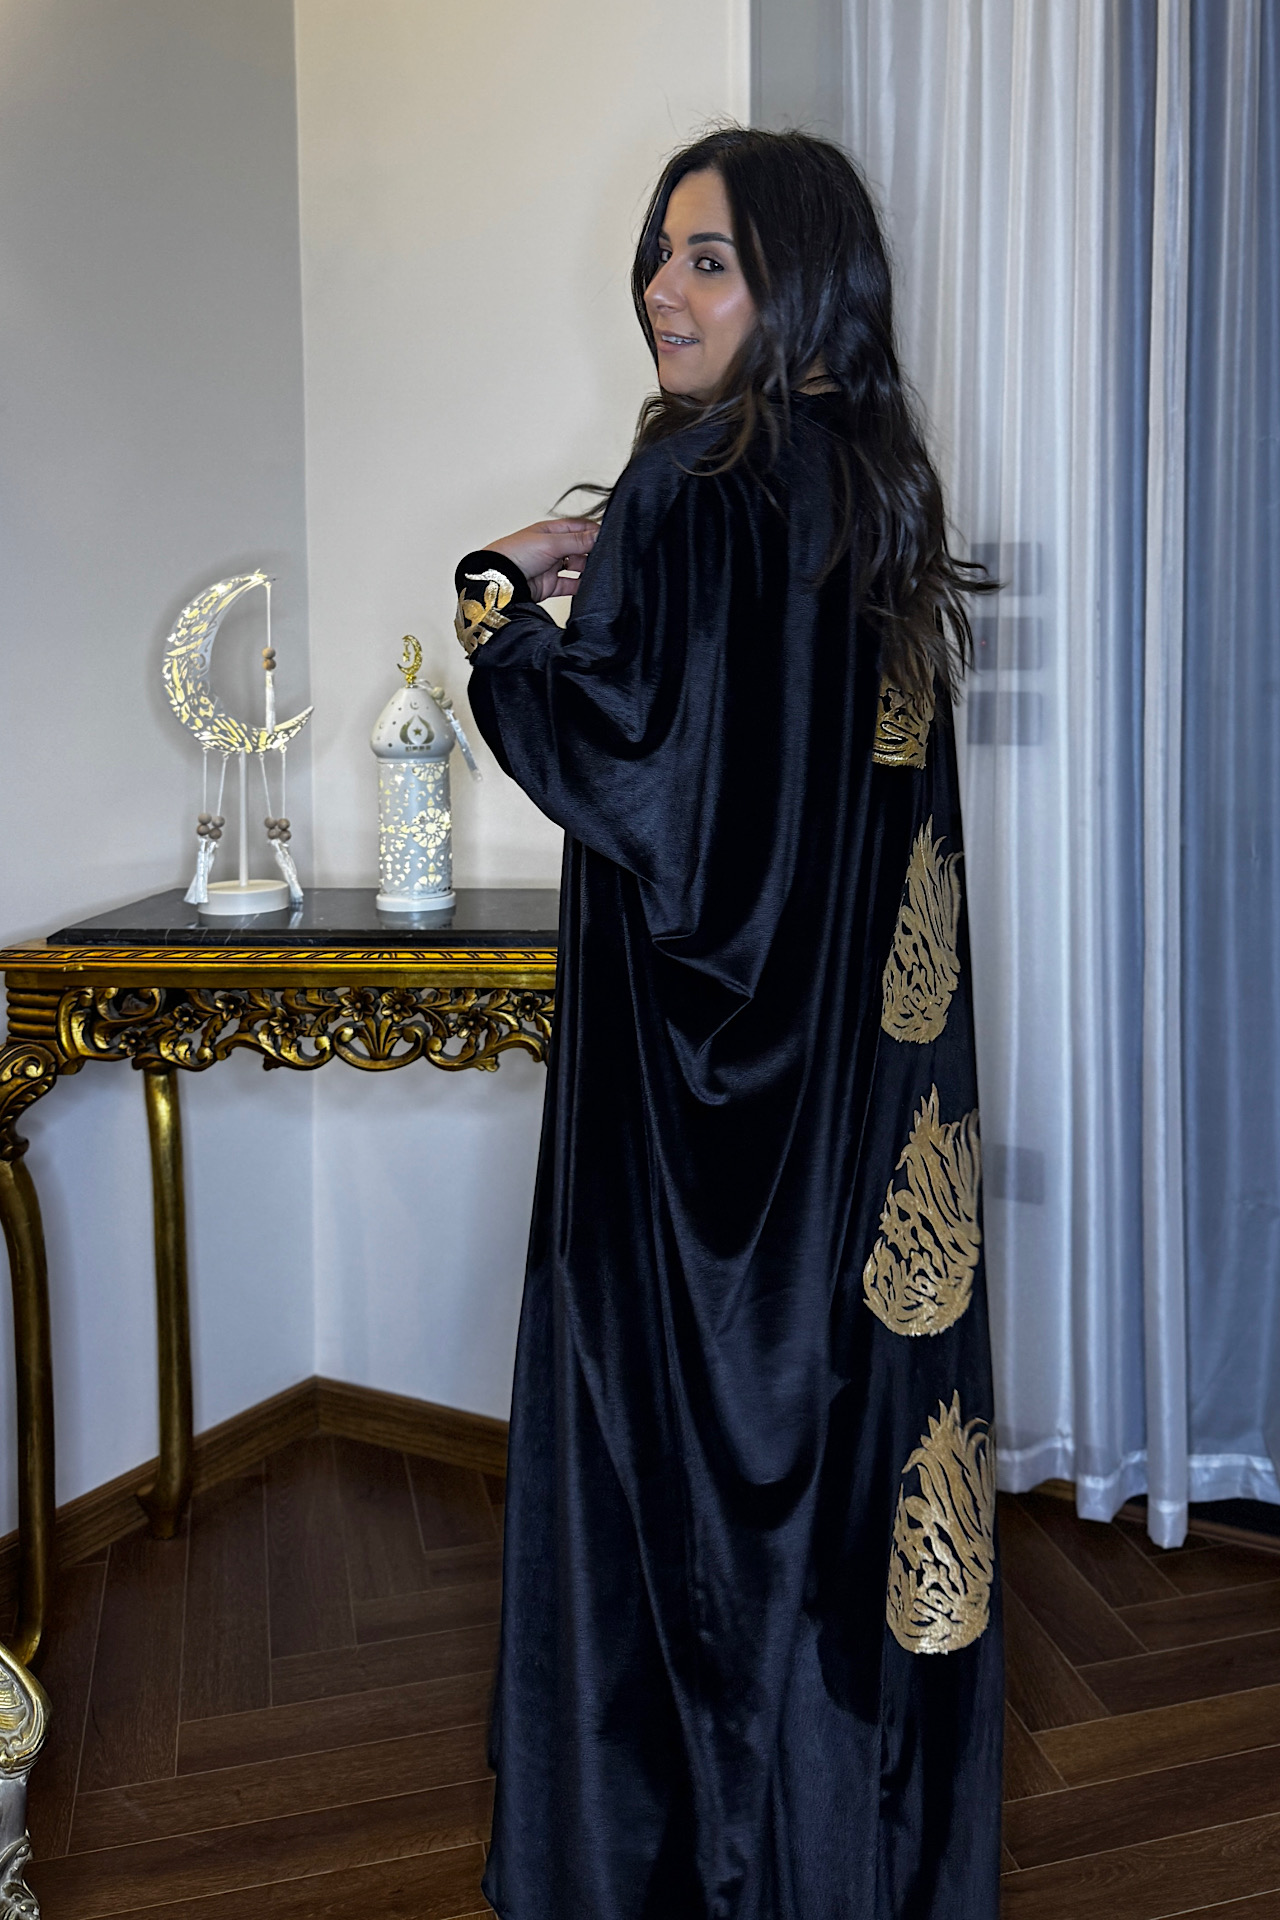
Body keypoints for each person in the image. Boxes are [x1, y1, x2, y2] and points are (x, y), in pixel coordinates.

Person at [456, 126, 1001, 1920]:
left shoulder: (697, 487)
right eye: (659, 253)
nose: (662, 291)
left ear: (800, 282)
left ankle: (682, 1874)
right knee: (840, 1480)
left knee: (676, 1488)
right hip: (852, 1107)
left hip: (696, 1137)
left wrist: (494, 598)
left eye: (709, 260)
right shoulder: (874, 493)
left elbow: (629, 773)